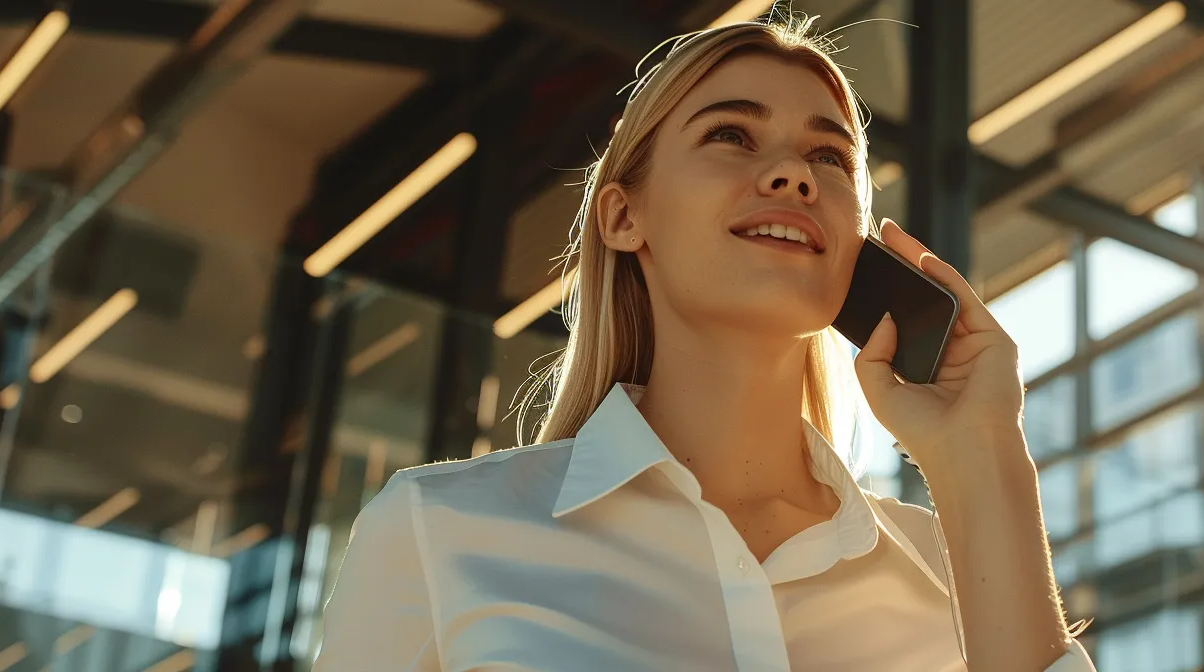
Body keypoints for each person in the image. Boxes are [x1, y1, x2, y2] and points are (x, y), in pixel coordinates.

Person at [317, 16, 1096, 672]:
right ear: (625, 218)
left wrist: (981, 453)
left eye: (829, 156)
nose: (794, 172)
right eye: (731, 134)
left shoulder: (948, 571)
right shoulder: (437, 529)